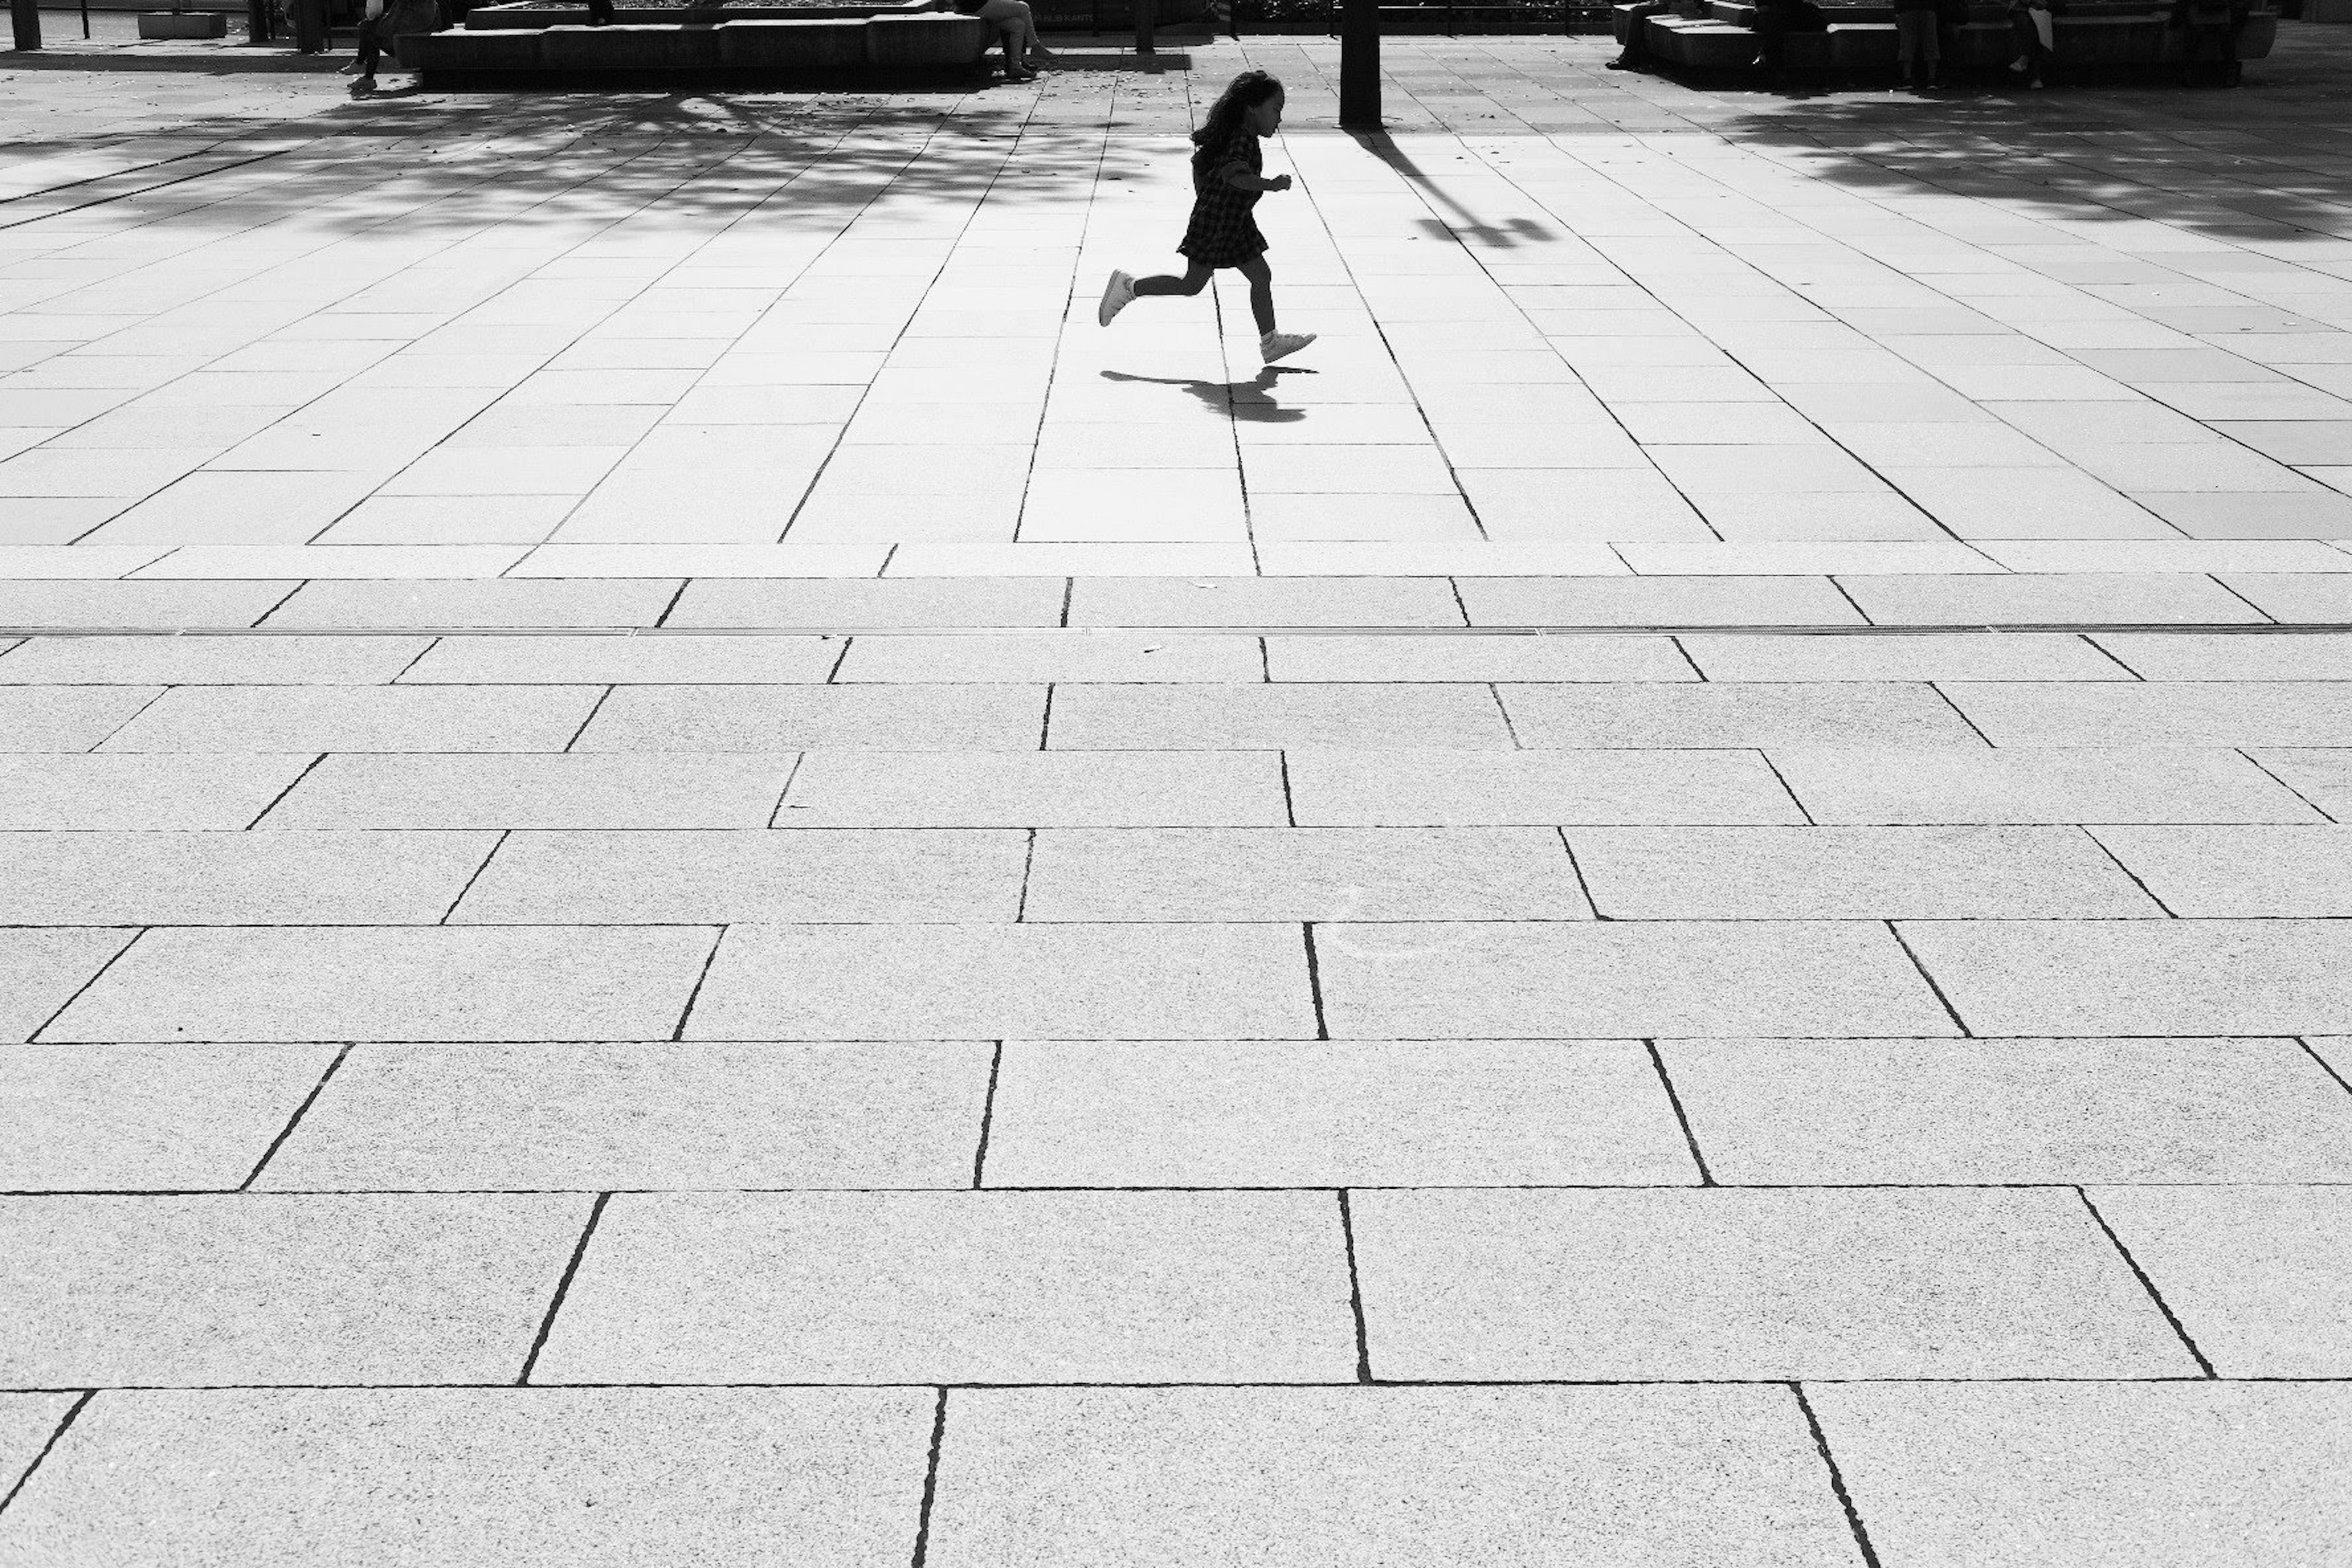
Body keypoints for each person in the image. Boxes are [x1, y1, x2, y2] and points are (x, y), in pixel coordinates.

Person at [1096, 70, 1315, 368]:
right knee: (1192, 284)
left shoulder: (1240, 137)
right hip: (1218, 222)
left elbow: (1201, 166)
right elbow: (1235, 177)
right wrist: (1270, 184)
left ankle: (1270, 342)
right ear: (1253, 108)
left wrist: (1208, 194)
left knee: (1260, 276)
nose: (1279, 119)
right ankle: (1129, 287)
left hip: (1234, 221)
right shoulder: (1241, 140)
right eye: (1275, 110)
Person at [921, 0, 1054, 79]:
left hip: (978, 6)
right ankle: (1034, 45)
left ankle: (1015, 66)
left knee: (1017, 25)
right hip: (976, 6)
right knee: (1023, 7)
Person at [2169, 0, 2247, 85]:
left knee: (2225, 30)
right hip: (2200, 7)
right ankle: (2187, 70)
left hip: (2219, 7)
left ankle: (2230, 70)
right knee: (2196, 29)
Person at [1893, 0, 1940, 87]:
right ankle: (1932, 79)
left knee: (1907, 43)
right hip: (1928, 8)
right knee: (1931, 43)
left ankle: (1907, 78)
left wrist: (1897, 12)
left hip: (1907, 9)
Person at [2007, 0, 2052, 87]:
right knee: (2032, 27)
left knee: (2039, 26)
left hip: (2042, 8)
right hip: (2021, 8)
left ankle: (2024, 59)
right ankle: (2036, 77)